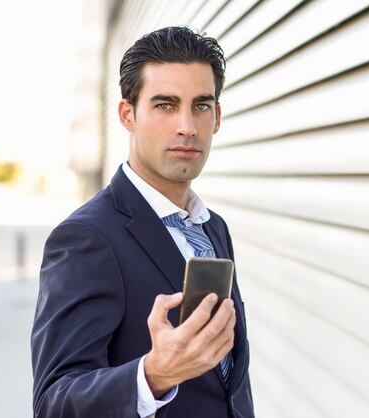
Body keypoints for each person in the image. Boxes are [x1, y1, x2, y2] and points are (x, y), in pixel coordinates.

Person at [31, 26, 254, 418]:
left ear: (216, 117)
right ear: (127, 115)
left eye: (201, 105)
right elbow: (54, 403)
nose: (187, 125)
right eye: (165, 105)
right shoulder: (86, 237)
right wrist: (153, 376)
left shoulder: (212, 227)